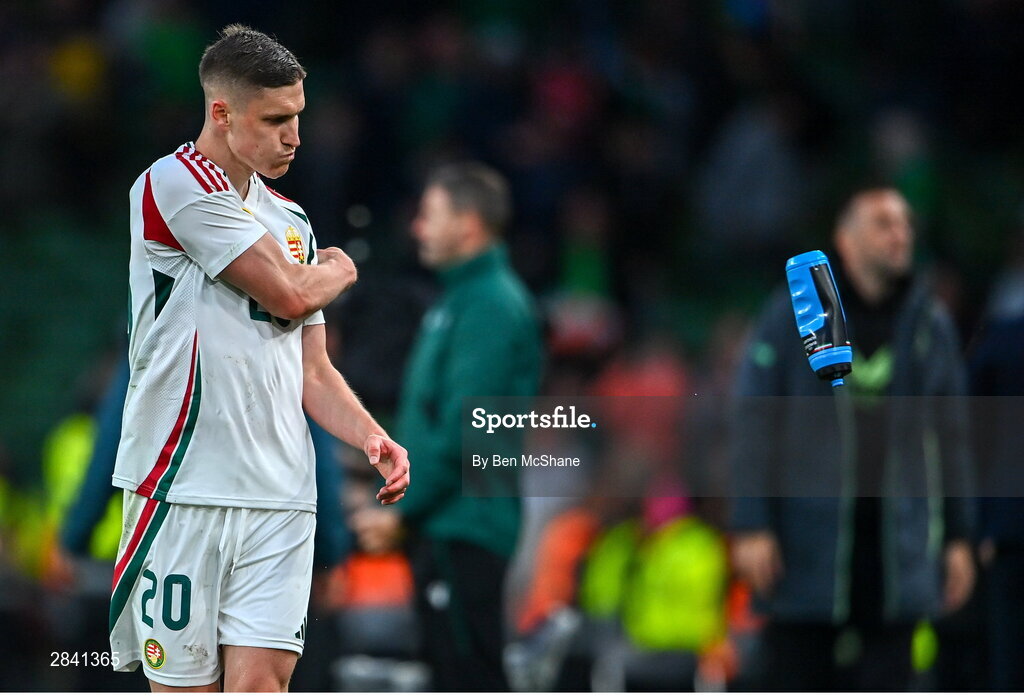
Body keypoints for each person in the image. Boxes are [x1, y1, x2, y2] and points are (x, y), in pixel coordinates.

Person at [108, 25, 410, 692]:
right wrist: (342, 267)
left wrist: (369, 436)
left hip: (280, 496)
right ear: (222, 112)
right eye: (275, 120)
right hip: (183, 488)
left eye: (297, 118)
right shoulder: (172, 184)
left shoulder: (293, 221)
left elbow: (313, 370)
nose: (293, 138)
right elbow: (290, 292)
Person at [729, 188, 975, 690]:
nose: (900, 234)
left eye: (905, 223)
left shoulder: (930, 323)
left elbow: (953, 437)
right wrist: (751, 521)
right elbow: (755, 421)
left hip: (896, 551)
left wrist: (959, 537)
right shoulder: (793, 313)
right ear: (845, 239)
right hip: (805, 550)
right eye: (883, 223)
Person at [352, 162, 543, 690]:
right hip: (445, 521)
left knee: (469, 677)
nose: (417, 228)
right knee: (450, 672)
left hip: (466, 523)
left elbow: (466, 429)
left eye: (429, 215)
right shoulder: (460, 301)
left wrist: (399, 507)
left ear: (468, 224)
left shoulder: (491, 307)